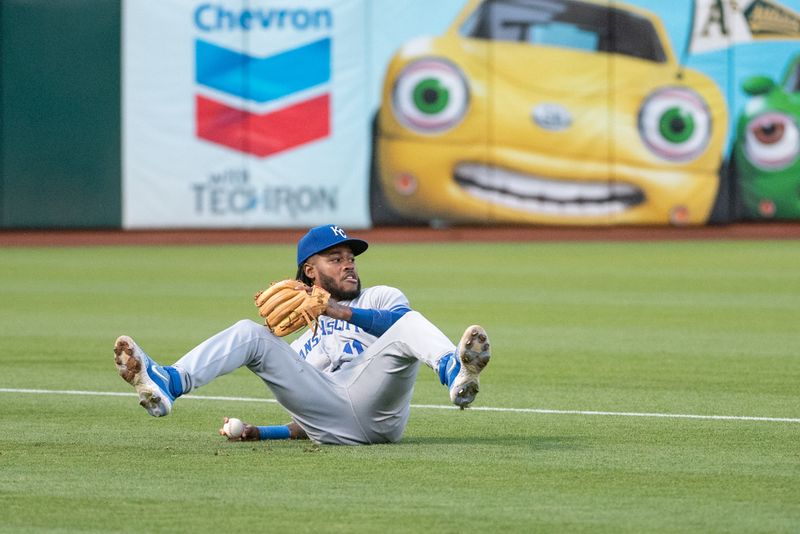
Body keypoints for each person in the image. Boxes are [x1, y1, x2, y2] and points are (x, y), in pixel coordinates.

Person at [113, 224, 491, 445]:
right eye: (336, 259)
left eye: (351, 258)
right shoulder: (299, 337)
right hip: (334, 427)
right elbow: (310, 414)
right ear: (310, 270)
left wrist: (332, 308)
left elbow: (396, 326)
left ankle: (455, 373)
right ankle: (167, 383)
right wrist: (264, 433)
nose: (348, 266)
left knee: (407, 323)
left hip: (381, 414)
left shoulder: (381, 296)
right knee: (253, 334)